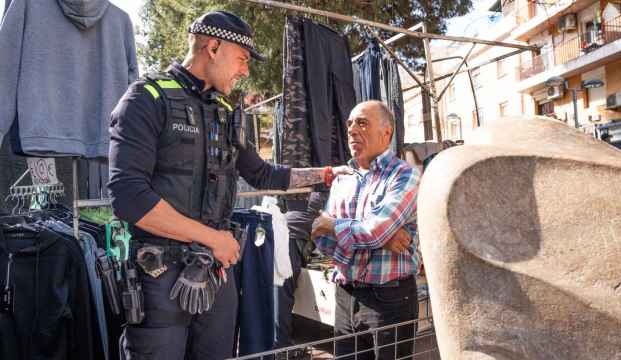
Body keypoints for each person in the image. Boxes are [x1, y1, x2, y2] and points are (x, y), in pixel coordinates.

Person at [108, 11, 348, 360]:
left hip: (215, 275)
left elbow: (264, 175)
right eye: (243, 59)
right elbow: (129, 198)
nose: (246, 71)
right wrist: (213, 238)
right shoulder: (145, 99)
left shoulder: (224, 113)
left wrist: (323, 174)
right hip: (158, 279)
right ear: (214, 46)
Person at [311, 100, 422, 360]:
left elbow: (370, 231)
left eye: (362, 122)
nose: (351, 129)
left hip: (389, 300)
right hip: (345, 295)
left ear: (387, 132)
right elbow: (320, 240)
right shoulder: (343, 178)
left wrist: (334, 225)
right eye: (349, 123)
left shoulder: (404, 176)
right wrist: (378, 238)